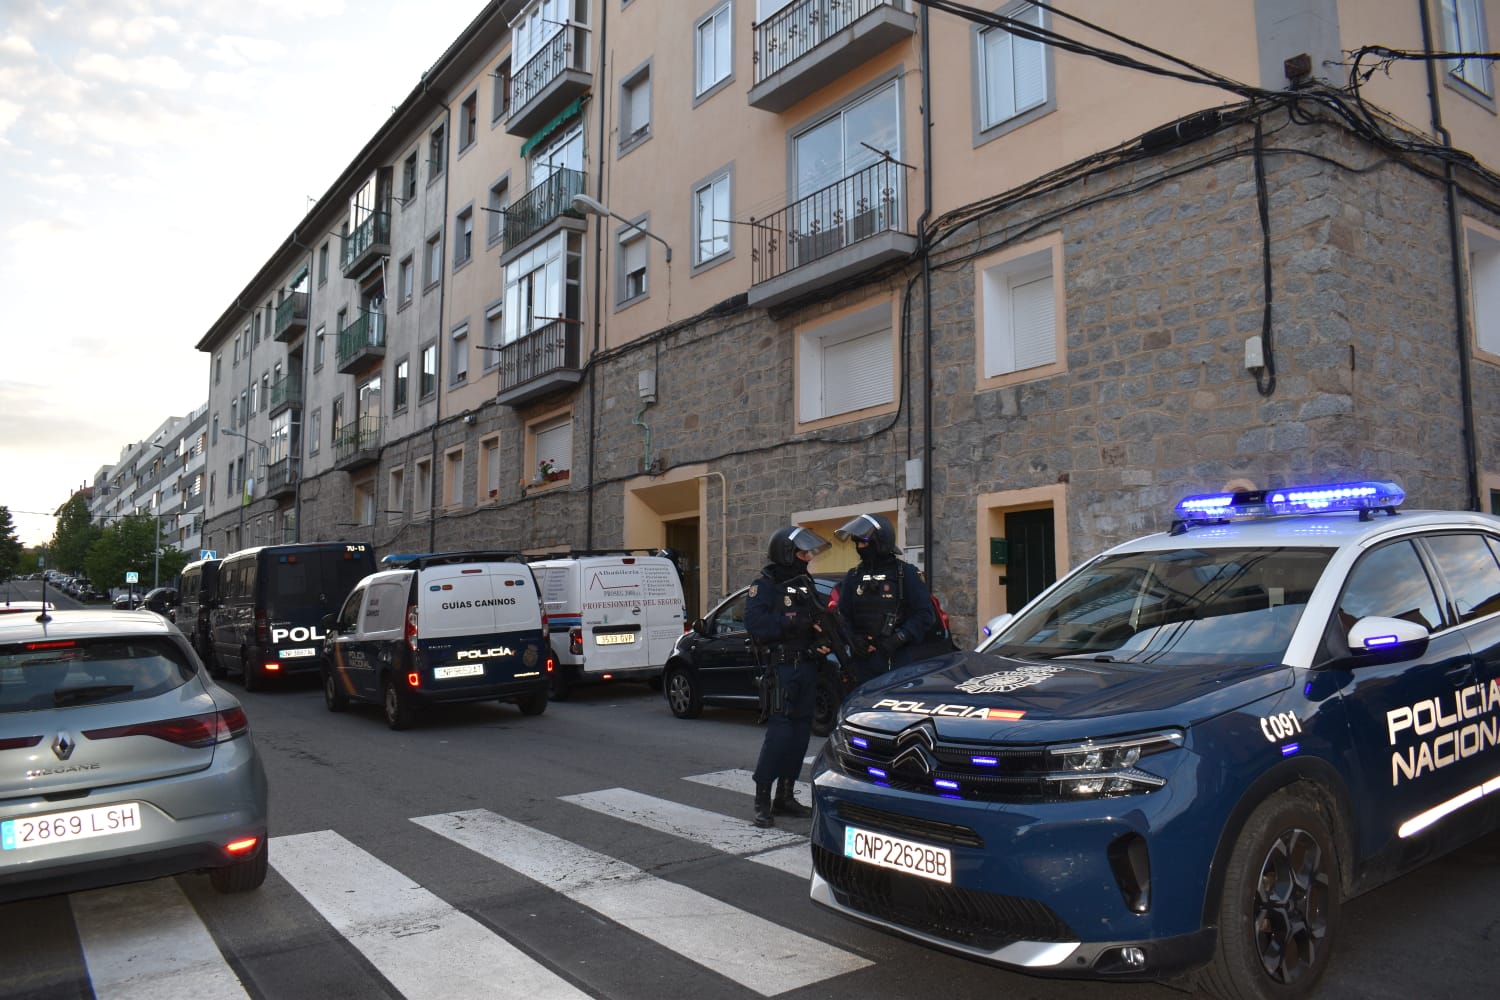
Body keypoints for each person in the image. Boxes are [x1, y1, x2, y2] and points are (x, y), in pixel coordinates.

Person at [746, 524, 831, 829]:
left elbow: (818, 615)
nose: (807, 557)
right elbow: (755, 623)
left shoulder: (804, 582)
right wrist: (792, 623)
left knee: (799, 735)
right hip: (781, 669)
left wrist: (824, 635)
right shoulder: (765, 585)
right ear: (785, 553)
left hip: (807, 667)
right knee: (779, 734)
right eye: (801, 552)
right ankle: (762, 799)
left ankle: (785, 796)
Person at [833, 513, 937, 686]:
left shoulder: (905, 573)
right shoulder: (854, 576)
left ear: (880, 543)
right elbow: (843, 616)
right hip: (863, 660)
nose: (860, 547)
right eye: (857, 543)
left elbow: (925, 614)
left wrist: (899, 638)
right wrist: (854, 640)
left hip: (897, 659)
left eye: (864, 542)